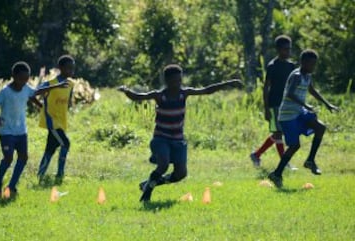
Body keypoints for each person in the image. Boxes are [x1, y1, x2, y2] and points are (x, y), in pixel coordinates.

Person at [118, 64, 242, 202]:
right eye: (175, 81)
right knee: (163, 165)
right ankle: (147, 193)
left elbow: (207, 90)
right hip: (161, 138)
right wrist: (126, 91)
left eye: (180, 80)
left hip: (178, 140)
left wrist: (228, 83)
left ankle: (149, 183)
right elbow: (138, 97)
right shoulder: (160, 96)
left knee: (180, 174)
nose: (178, 83)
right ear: (167, 81)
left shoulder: (184, 93)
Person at [0, 61, 67, 199]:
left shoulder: (26, 88)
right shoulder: (5, 92)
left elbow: (35, 93)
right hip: (6, 131)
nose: (24, 81)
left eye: (26, 79)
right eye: (21, 78)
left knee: (23, 157)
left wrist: (53, 90)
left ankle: (12, 186)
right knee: (8, 158)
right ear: (14, 76)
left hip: (21, 131)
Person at [268, 49, 338, 188]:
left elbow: (312, 90)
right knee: (294, 146)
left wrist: (327, 104)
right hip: (288, 115)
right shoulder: (297, 75)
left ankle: (310, 160)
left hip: (299, 112)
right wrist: (305, 104)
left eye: (314, 64)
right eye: (311, 64)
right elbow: (290, 93)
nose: (313, 67)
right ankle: (277, 173)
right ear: (303, 63)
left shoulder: (307, 76)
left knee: (320, 127)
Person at [250, 35, 297, 170]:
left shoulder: (291, 66)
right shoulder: (272, 66)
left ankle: (256, 154)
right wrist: (266, 108)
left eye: (289, 49)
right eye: (285, 49)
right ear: (278, 49)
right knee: (278, 133)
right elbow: (266, 87)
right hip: (274, 104)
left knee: (278, 133)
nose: (288, 52)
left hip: (287, 104)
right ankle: (284, 162)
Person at [37, 55, 75, 185]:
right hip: (51, 122)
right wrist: (55, 87)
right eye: (68, 68)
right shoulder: (50, 83)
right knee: (66, 143)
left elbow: (69, 100)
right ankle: (60, 174)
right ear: (60, 68)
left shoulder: (70, 84)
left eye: (72, 68)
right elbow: (36, 91)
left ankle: (40, 174)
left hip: (61, 121)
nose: (71, 71)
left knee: (50, 148)